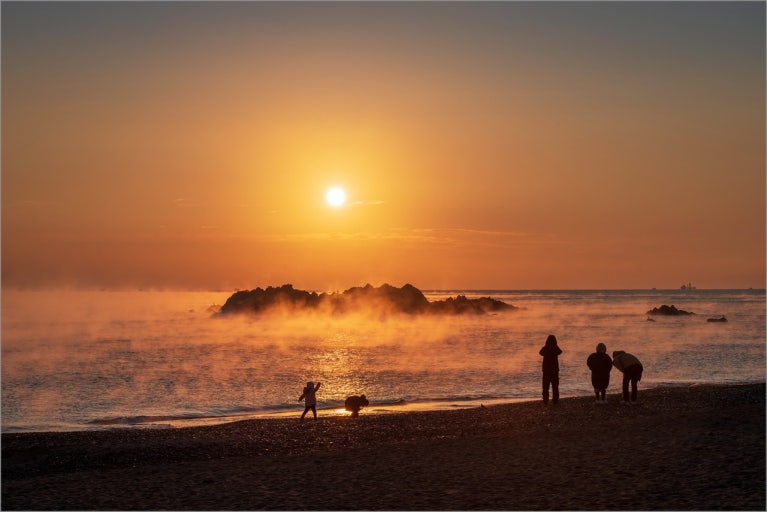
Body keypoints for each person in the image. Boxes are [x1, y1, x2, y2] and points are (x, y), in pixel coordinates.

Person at [539, 334, 562, 404]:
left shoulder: (545, 348)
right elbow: (560, 352)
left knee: (545, 386)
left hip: (546, 370)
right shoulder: (555, 348)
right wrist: (555, 346)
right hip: (554, 370)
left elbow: (540, 353)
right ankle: (555, 399)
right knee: (555, 386)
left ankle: (545, 399)